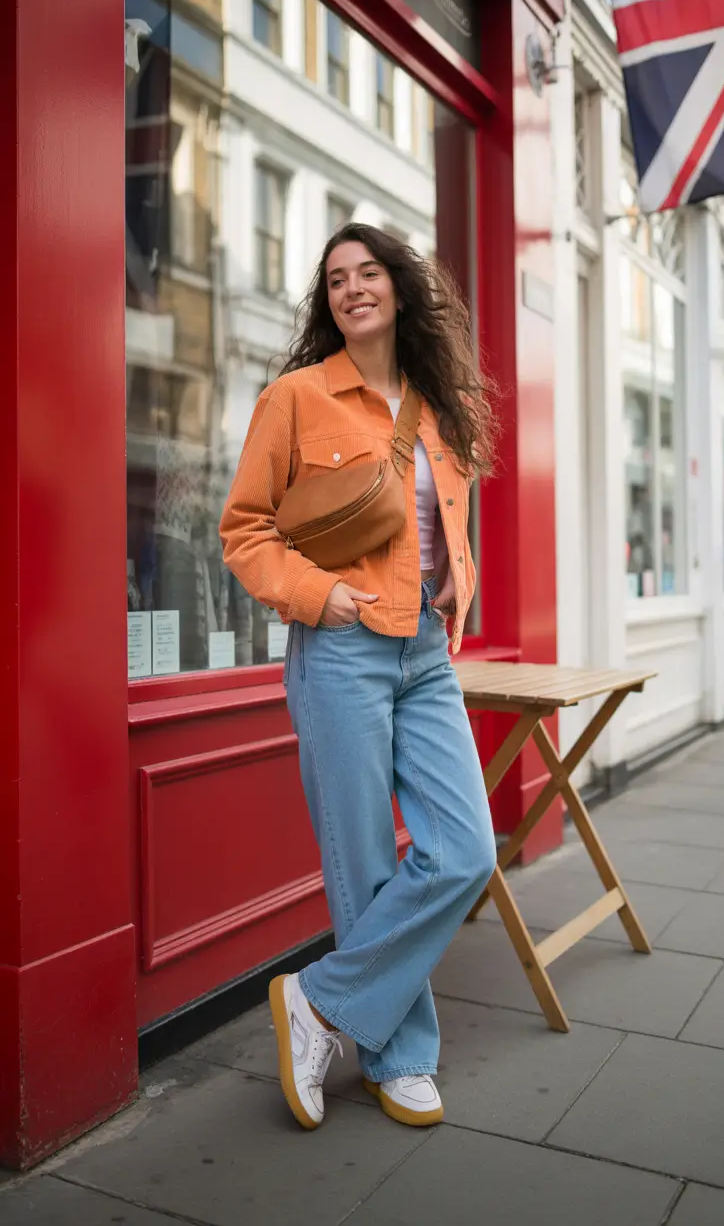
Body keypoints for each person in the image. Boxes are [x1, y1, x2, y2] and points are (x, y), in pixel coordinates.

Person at [220, 223, 497, 1132]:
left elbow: (449, 517)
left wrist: (463, 579)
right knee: (367, 864)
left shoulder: (438, 405)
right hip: (340, 645)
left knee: (465, 852)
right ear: (327, 301)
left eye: (368, 272)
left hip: (425, 651)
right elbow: (246, 530)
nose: (351, 289)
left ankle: (319, 1000)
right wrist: (317, 596)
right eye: (336, 279)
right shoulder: (296, 397)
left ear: (399, 288)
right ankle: (401, 1056)